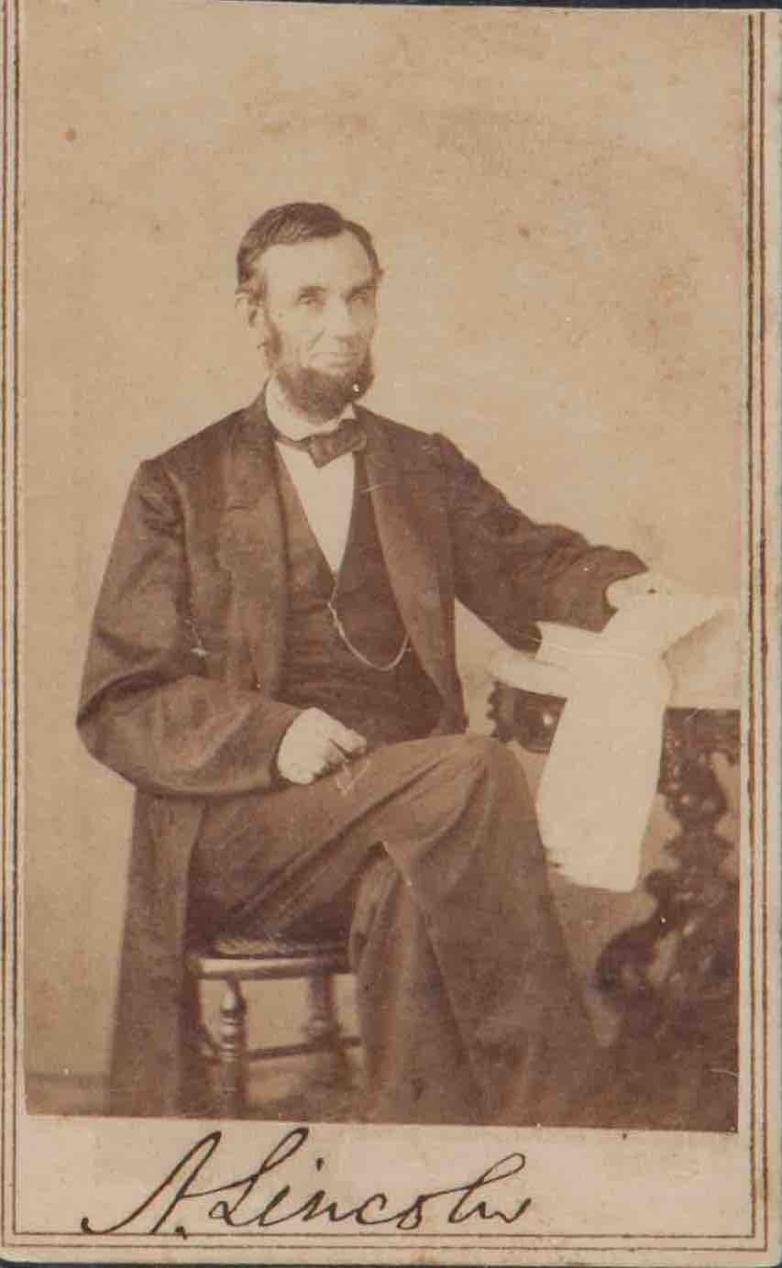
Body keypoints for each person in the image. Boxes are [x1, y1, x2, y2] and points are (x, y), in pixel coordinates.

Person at [78, 202, 646, 1122]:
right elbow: (120, 702)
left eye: (359, 297)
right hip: (245, 827)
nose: (342, 325)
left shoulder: (421, 465)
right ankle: (563, 1117)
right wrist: (271, 734)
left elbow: (527, 566)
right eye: (310, 300)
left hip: (403, 816)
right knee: (474, 771)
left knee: (420, 882)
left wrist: (625, 590)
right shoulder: (179, 484)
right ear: (255, 315)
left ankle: (410, 1148)